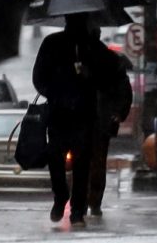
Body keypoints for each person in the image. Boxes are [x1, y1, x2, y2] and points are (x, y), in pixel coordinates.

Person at [33, 13, 125, 226]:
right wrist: (55, 92)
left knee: (81, 163)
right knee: (56, 158)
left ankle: (76, 211)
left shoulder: (93, 47)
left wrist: (89, 74)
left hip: (84, 115)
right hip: (59, 114)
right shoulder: (52, 44)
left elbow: (111, 74)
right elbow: (39, 77)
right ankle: (60, 197)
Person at [86, 32, 132, 217]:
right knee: (96, 161)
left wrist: (118, 113)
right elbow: (124, 90)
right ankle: (91, 201)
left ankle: (90, 201)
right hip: (93, 119)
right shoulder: (111, 60)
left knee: (92, 161)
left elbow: (123, 89)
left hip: (94, 119)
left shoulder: (109, 61)